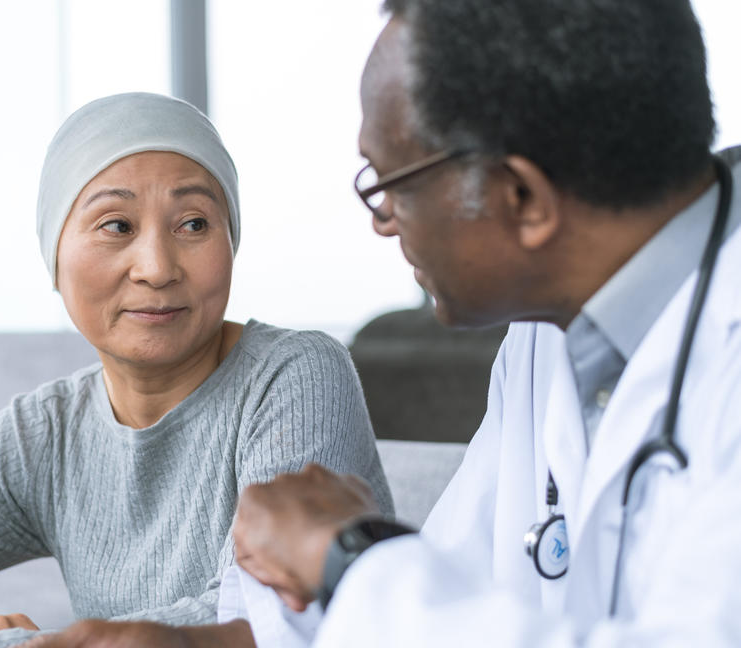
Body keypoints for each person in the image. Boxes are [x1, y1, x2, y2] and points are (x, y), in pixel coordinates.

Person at [0, 92, 393, 648]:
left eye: (194, 224)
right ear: (55, 259)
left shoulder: (296, 375)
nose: (156, 267)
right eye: (116, 226)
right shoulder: (43, 435)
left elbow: (264, 620)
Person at [228, 0, 741, 645]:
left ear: (521, 198)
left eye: (393, 182)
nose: (382, 218)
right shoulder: (545, 330)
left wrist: (351, 554)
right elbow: (455, 584)